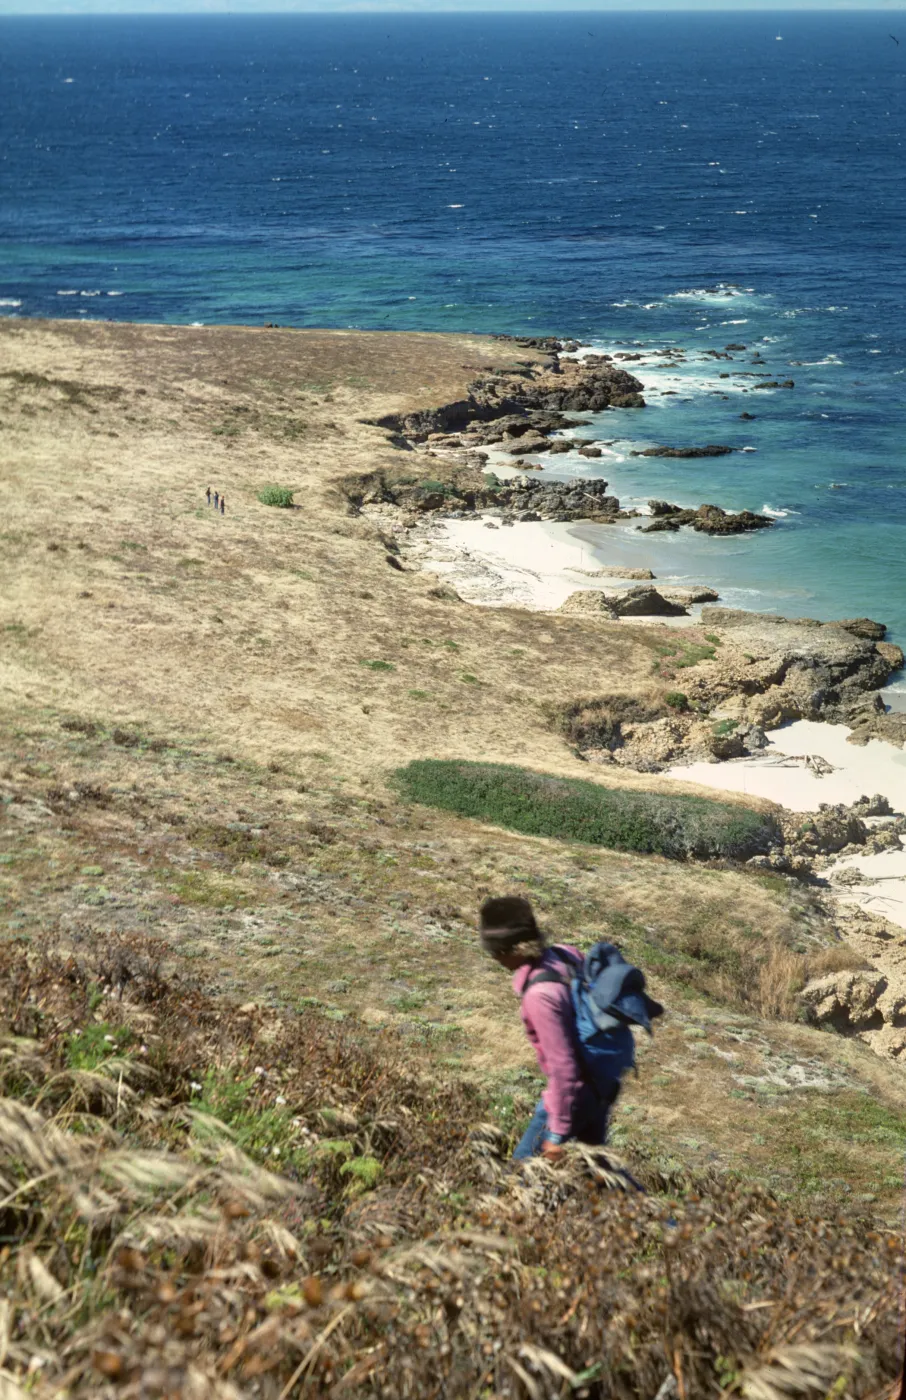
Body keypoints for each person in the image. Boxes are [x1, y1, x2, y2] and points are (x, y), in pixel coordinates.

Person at [480, 894, 632, 1161]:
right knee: (594, 1173)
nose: (494, 958)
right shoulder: (565, 953)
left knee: (522, 1174)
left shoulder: (539, 996)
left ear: (509, 950)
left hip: (573, 1097)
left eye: (496, 952)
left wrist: (556, 1134)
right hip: (602, 1082)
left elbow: (564, 1068)